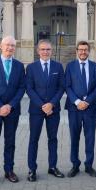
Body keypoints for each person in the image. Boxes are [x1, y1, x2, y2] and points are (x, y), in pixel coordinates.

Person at [0, 36, 26, 187]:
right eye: (7, 45)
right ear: (1, 46)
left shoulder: (20, 66)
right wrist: (0, 106)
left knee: (10, 142)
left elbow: (22, 88)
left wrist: (10, 106)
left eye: (13, 46)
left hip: (12, 112)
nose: (10, 48)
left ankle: (9, 170)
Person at [26, 39, 65, 181]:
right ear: (38, 51)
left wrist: (51, 104)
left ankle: (52, 167)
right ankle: (32, 169)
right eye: (42, 49)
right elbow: (29, 88)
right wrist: (42, 105)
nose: (45, 52)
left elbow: (62, 87)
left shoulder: (58, 67)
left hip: (53, 110)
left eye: (48, 49)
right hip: (36, 110)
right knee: (33, 140)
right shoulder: (31, 68)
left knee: (53, 139)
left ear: (51, 51)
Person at [64, 41, 96, 178]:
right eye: (80, 50)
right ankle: (75, 165)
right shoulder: (70, 66)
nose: (83, 52)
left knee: (90, 138)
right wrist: (78, 101)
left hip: (90, 108)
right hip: (74, 109)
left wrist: (87, 101)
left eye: (85, 50)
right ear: (77, 51)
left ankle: (89, 165)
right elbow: (67, 86)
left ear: (89, 51)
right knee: (74, 137)